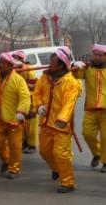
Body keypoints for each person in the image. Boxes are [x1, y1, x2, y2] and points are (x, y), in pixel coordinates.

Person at [33, 47, 81, 192]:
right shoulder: (44, 78)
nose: (50, 64)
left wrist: (63, 118)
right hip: (46, 122)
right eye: (50, 61)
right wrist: (39, 105)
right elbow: (37, 93)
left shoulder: (71, 82)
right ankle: (57, 168)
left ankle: (68, 182)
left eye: (54, 62)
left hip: (61, 125)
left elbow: (69, 103)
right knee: (44, 151)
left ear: (61, 65)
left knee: (61, 154)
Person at [0, 53, 31, 179]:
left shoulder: (18, 80)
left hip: (14, 119)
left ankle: (14, 168)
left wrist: (21, 112)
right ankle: (7, 160)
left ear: (10, 66)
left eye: (2, 63)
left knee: (15, 146)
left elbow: (25, 97)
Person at [73, 43, 106, 173]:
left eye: (100, 55)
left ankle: (105, 162)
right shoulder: (87, 68)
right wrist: (75, 66)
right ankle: (97, 154)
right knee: (87, 134)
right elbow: (76, 75)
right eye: (95, 54)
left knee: (105, 138)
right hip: (90, 108)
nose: (96, 57)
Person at [11, 50, 39, 154]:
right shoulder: (13, 69)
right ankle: (25, 142)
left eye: (15, 58)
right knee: (21, 123)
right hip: (19, 100)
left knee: (31, 124)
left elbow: (30, 75)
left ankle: (32, 145)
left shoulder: (28, 68)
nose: (14, 60)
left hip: (30, 101)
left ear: (21, 59)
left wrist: (21, 67)